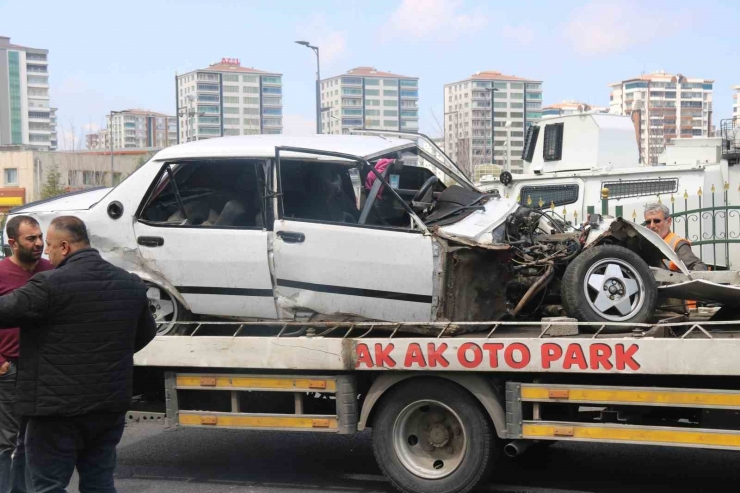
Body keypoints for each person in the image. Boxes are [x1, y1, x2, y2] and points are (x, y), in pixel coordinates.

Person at [0, 216, 157, 492]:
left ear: (64, 246)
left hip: (54, 411)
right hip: (108, 406)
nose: (45, 250)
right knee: (99, 482)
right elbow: (145, 334)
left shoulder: (48, 285)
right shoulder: (129, 284)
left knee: (48, 485)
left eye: (48, 244)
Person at [0, 216, 53, 493]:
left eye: (40, 236)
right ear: (12, 243)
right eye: (30, 238)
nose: (39, 243)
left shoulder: (51, 269)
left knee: (37, 438)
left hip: (43, 368)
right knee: (8, 440)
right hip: (10, 369)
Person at [644, 203, 708, 271]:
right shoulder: (644, 244)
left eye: (657, 221)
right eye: (648, 222)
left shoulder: (677, 244)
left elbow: (699, 268)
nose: (652, 225)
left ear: (668, 221)